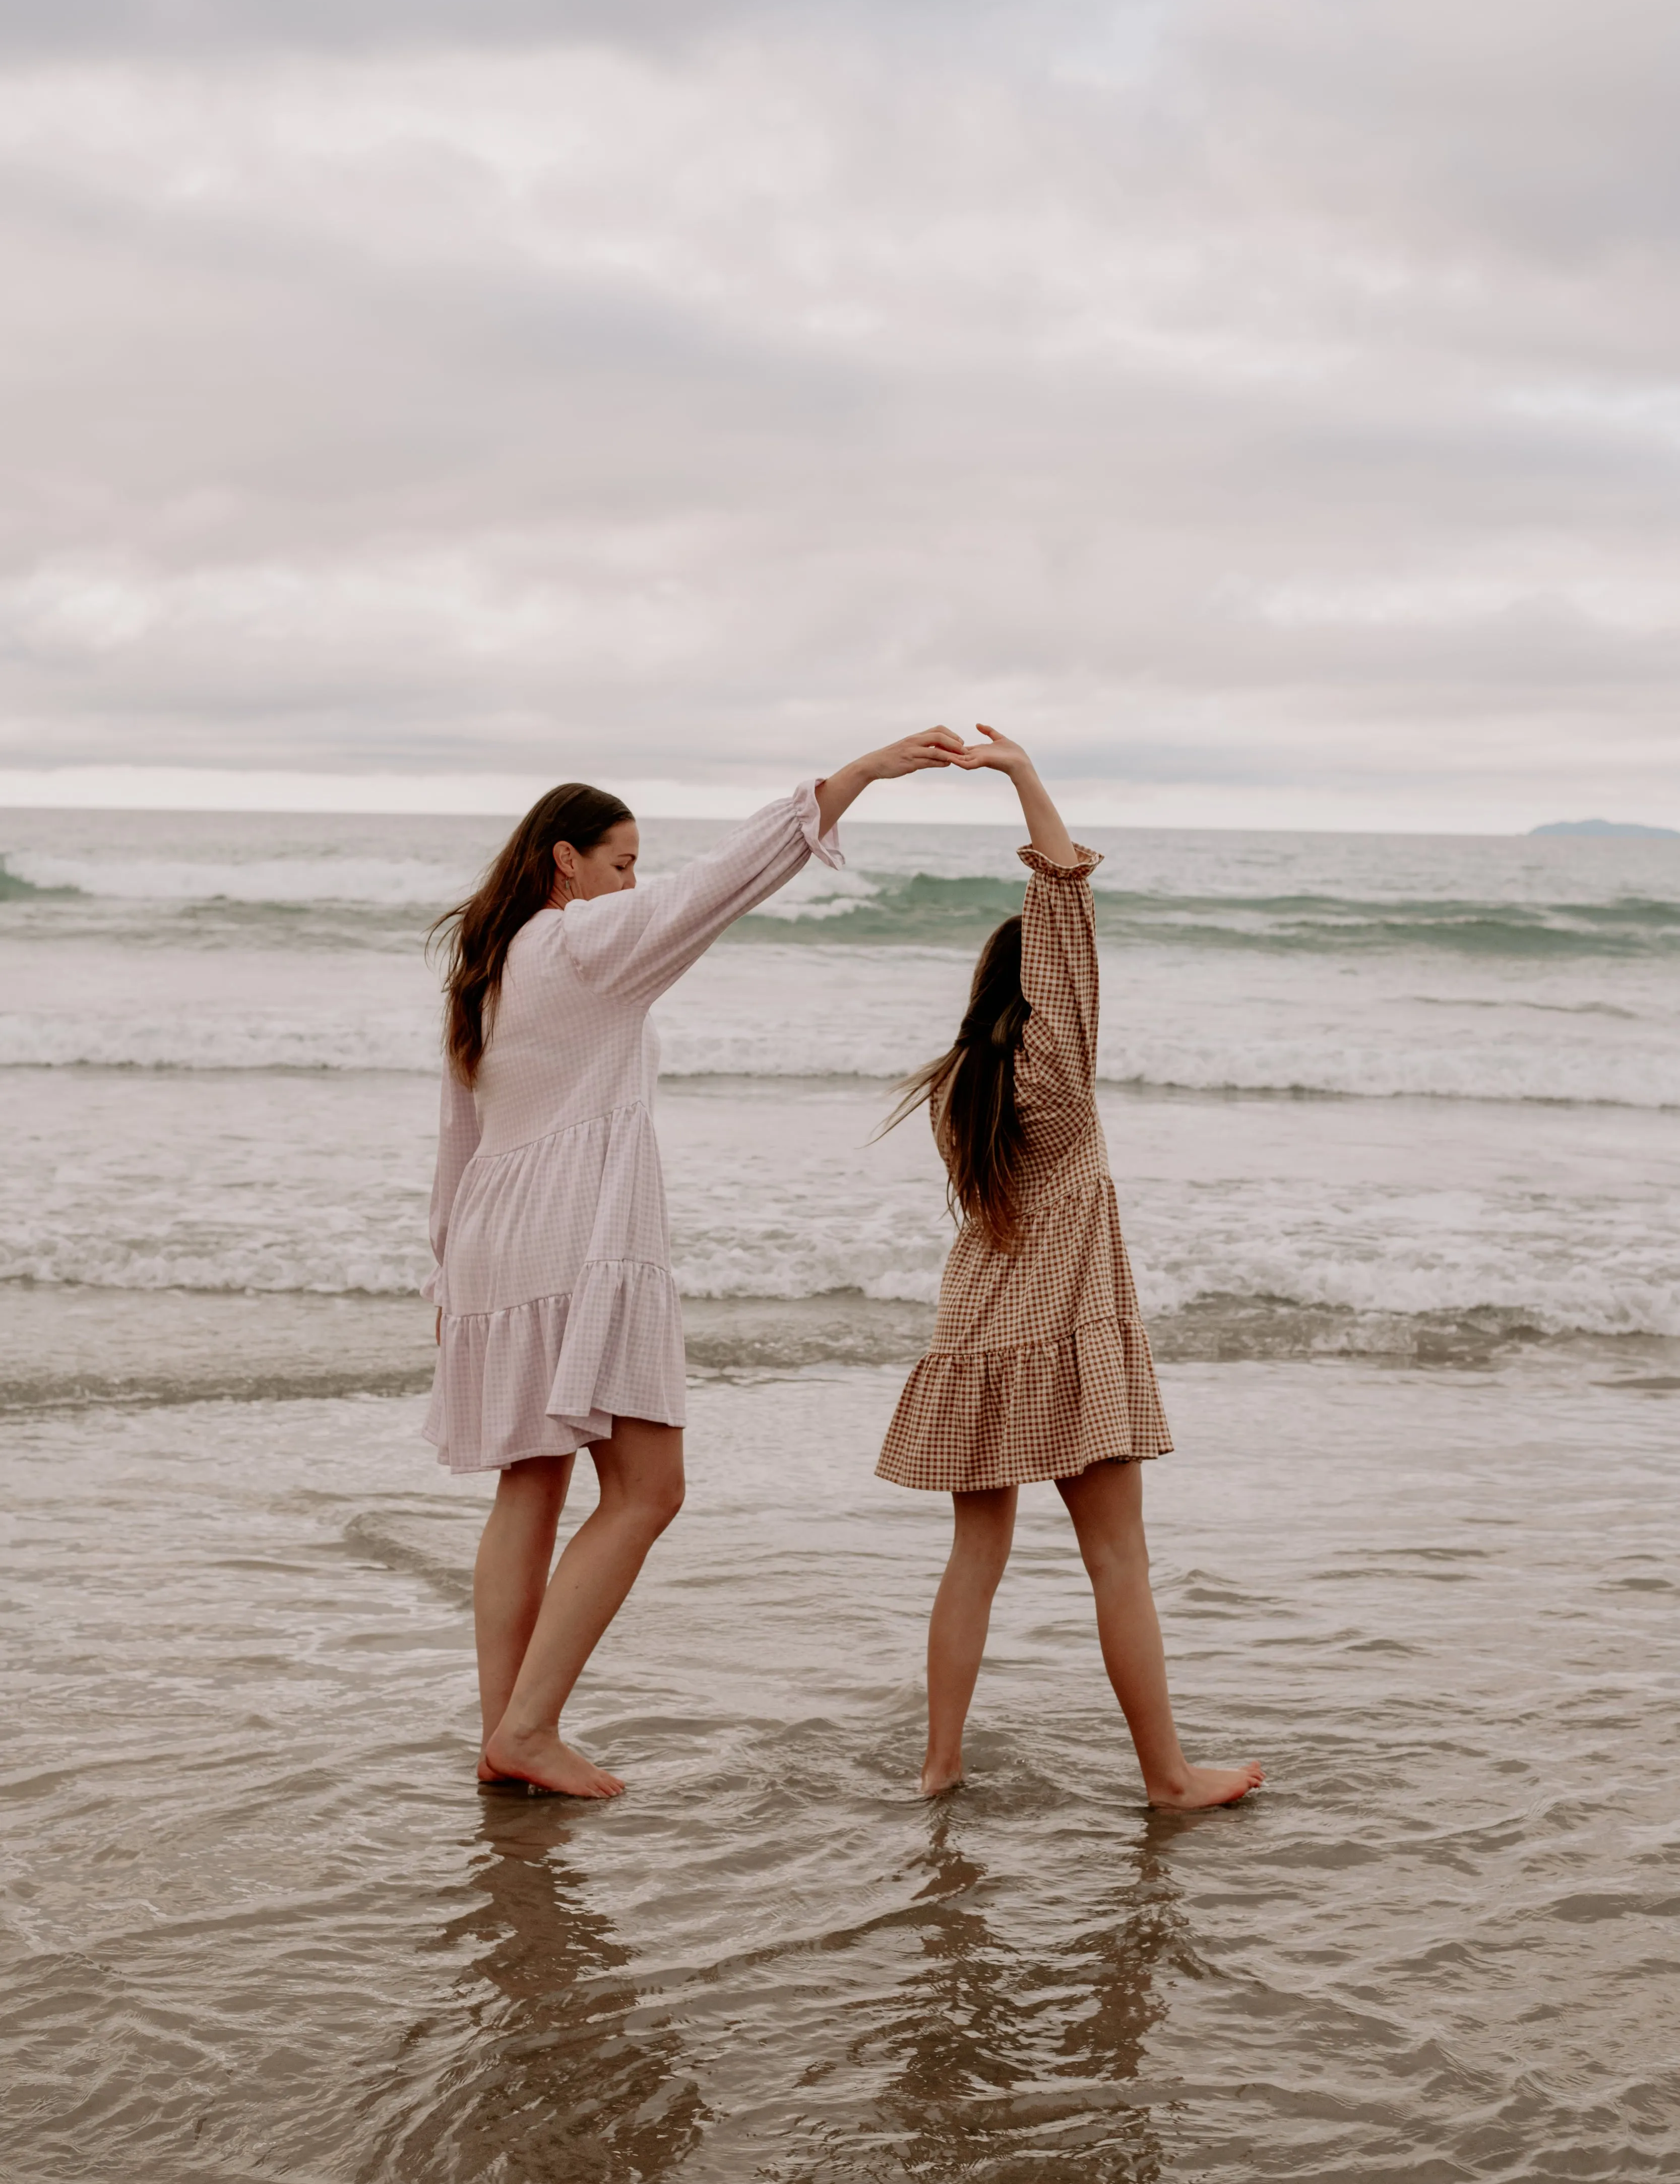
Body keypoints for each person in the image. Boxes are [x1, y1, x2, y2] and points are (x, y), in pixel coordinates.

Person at [427, 731, 963, 1797]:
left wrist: (447, 1277)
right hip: (578, 1229)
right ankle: (530, 1729)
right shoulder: (583, 943)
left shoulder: (485, 972)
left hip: (494, 1237)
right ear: (564, 861)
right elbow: (718, 887)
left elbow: (457, 1140)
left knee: (527, 1487)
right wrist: (844, 784)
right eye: (620, 861)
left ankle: (505, 1735)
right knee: (647, 1489)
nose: (633, 883)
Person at [878, 726, 1264, 1808]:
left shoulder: (970, 1081)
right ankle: (1169, 1778)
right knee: (1118, 1563)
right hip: (1064, 1331)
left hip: (974, 1329)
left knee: (974, 1557)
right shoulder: (1061, 1062)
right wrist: (1021, 775)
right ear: (1052, 988)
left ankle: (938, 1764)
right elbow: (1063, 897)